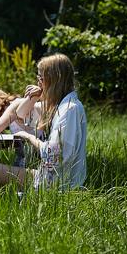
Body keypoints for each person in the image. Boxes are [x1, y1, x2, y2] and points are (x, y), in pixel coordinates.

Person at [13, 53, 88, 190]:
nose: (38, 83)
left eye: (41, 78)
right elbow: (20, 115)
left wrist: (29, 137)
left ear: (54, 80)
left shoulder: (69, 109)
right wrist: (34, 97)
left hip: (56, 184)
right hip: (52, 179)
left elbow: (54, 155)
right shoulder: (62, 105)